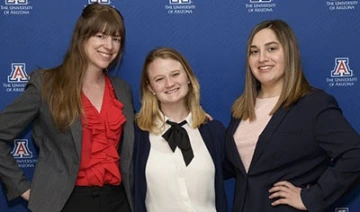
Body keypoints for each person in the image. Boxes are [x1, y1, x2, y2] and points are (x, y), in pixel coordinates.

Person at [0, 3, 134, 212]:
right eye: (100, 36)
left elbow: (145, 131)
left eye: (116, 39)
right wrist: (23, 188)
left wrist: (192, 119)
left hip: (117, 202)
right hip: (64, 203)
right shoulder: (47, 84)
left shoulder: (122, 89)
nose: (109, 45)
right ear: (82, 37)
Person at [225, 19, 360, 212]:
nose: (262, 58)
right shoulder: (241, 108)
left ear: (289, 53)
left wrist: (312, 197)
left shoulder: (314, 104)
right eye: (254, 51)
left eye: (271, 49)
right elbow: (234, 167)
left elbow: (355, 154)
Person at [133, 47, 227, 212]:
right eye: (159, 79)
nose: (169, 84)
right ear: (150, 88)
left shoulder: (213, 132)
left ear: (188, 77)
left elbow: (245, 171)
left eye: (175, 74)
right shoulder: (137, 135)